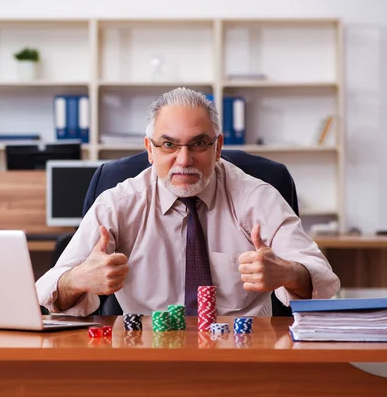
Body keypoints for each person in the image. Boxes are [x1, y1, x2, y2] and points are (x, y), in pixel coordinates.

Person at [36, 87, 340, 317]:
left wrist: (288, 273)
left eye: (198, 144)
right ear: (150, 150)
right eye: (168, 144)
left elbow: (322, 279)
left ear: (217, 146)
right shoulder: (120, 203)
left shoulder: (256, 197)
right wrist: (77, 279)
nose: (184, 159)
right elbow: (49, 294)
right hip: (147, 355)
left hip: (244, 355)